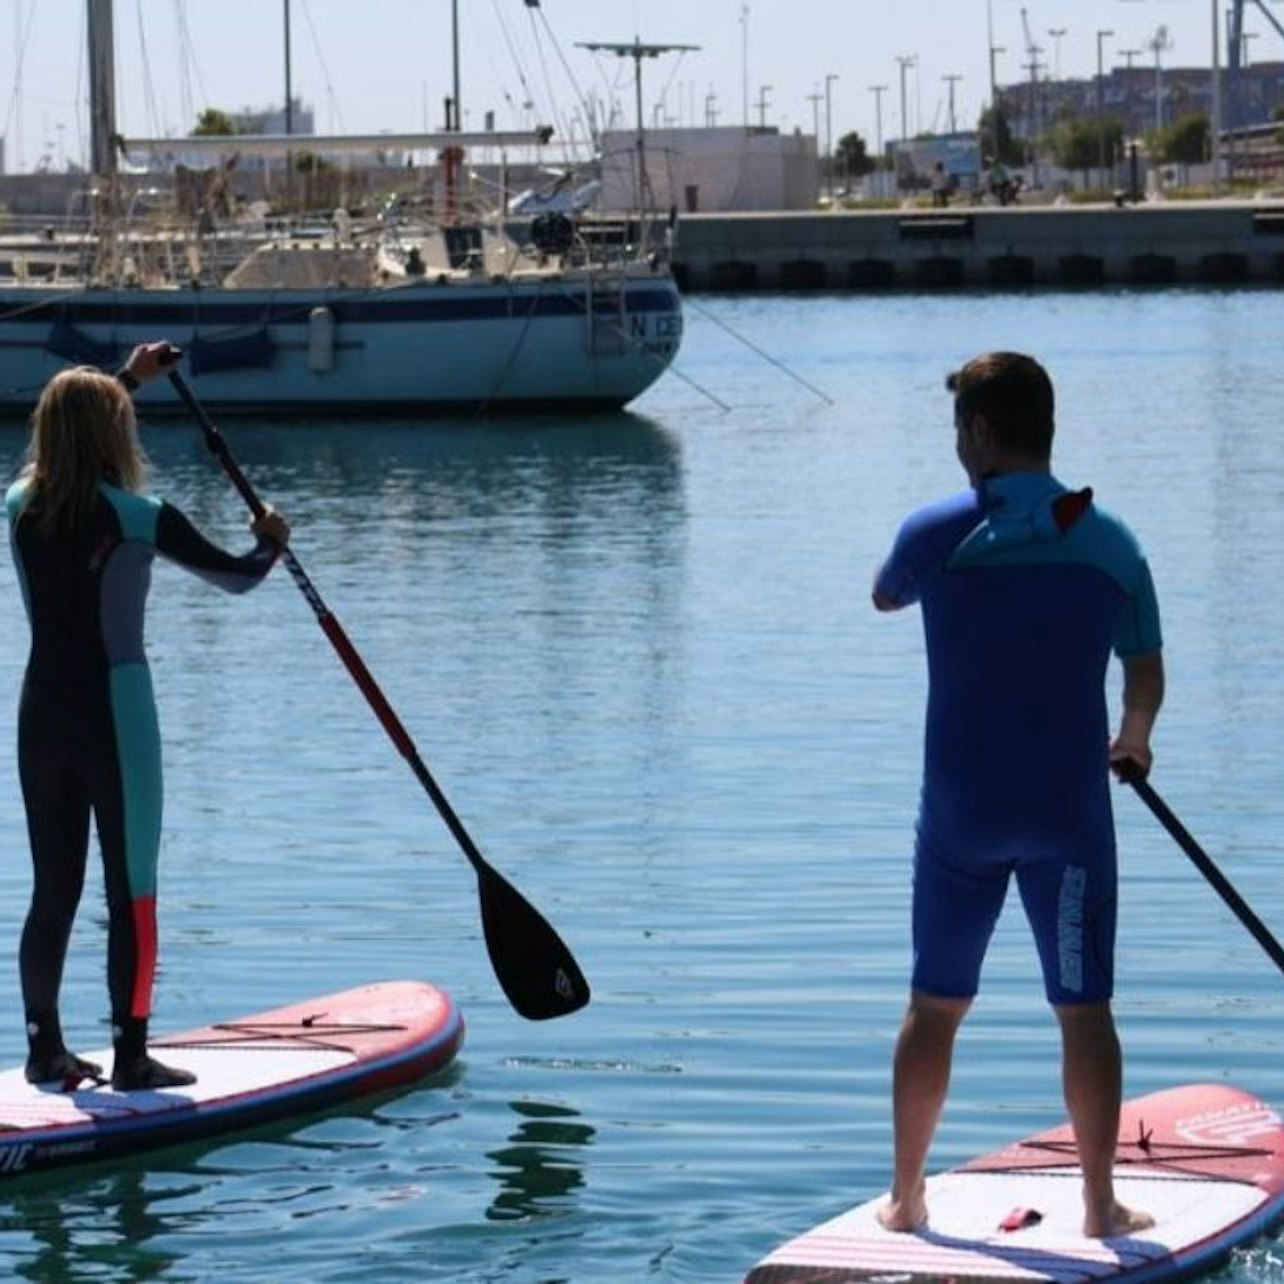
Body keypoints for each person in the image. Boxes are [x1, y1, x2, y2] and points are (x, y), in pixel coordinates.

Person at [871, 352, 1164, 1239]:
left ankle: (907, 1198)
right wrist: (1135, 735)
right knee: (1085, 1011)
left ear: (983, 433)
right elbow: (1144, 669)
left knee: (934, 1006)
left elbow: (885, 597)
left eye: (960, 428)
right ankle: (1101, 1205)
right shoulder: (1111, 540)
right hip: (1068, 818)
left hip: (960, 818)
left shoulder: (932, 533)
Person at [7, 342, 290, 1092]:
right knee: (131, 885)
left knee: (52, 889)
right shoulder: (141, 517)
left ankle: (44, 1050)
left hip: (39, 718)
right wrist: (270, 544)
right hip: (117, 717)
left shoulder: (16, 506)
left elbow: (65, 437)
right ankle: (131, 1055)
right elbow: (236, 578)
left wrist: (127, 377)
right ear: (115, 434)